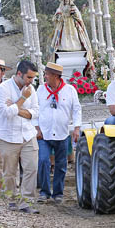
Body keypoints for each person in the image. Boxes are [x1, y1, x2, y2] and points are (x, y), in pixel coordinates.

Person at [0, 60, 40, 213]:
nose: (31, 81)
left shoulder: (31, 89)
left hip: (28, 134)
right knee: (9, 172)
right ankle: (11, 199)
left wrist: (16, 107)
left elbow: (35, 113)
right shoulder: (3, 88)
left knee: (32, 168)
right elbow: (6, 113)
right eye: (29, 77)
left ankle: (26, 201)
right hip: (8, 136)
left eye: (33, 78)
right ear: (19, 74)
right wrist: (22, 100)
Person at [34, 62, 82, 203]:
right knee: (43, 161)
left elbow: (77, 109)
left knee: (61, 164)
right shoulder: (41, 90)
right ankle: (44, 192)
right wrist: (36, 128)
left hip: (62, 133)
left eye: (47, 74)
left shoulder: (70, 90)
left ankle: (58, 193)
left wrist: (77, 127)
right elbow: (35, 109)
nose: (45, 76)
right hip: (44, 133)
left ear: (56, 76)